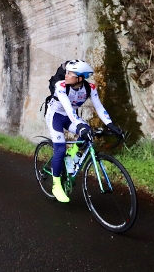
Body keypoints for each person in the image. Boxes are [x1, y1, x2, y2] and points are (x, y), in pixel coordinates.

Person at [46, 59, 124, 203]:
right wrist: (80, 126)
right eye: (67, 72)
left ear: (80, 78)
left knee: (88, 133)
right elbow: (69, 109)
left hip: (71, 117)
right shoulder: (61, 86)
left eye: (70, 73)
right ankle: (56, 185)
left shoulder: (90, 88)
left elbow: (99, 107)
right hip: (55, 116)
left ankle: (72, 153)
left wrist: (111, 124)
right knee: (60, 150)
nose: (66, 75)